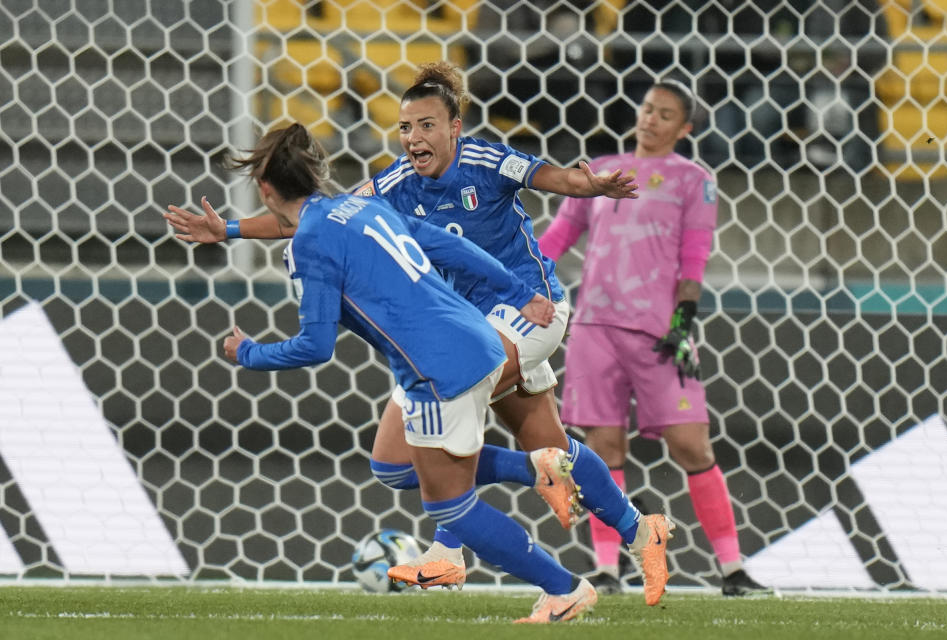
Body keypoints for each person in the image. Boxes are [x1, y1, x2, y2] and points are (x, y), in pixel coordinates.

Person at [165, 62, 676, 607]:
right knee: (431, 458)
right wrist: (231, 230)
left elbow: (552, 176)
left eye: (427, 125)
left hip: (529, 308)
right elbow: (314, 216)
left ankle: (451, 549)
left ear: (455, 127)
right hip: (459, 319)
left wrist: (590, 184)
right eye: (406, 127)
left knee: (457, 402)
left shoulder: (484, 160)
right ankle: (643, 532)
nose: (414, 138)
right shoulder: (394, 184)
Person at [218, 122, 595, 623]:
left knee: (451, 507)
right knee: (393, 467)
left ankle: (563, 589)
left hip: (441, 364)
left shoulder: (312, 241)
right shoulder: (359, 208)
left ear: (265, 190)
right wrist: (519, 289)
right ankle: (534, 467)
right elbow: (451, 247)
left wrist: (247, 353)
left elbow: (315, 345)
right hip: (459, 345)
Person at [538, 79, 771, 597]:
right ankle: (608, 567)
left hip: (661, 329)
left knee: (690, 442)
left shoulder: (694, 180)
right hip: (595, 326)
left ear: (684, 128)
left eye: (665, 114)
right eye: (647, 108)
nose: (651, 119)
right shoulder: (598, 171)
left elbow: (695, 255)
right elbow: (556, 239)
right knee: (602, 448)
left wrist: (685, 319)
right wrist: (517, 275)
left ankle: (733, 570)